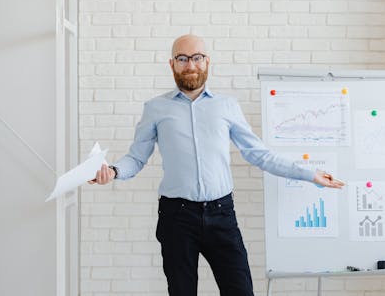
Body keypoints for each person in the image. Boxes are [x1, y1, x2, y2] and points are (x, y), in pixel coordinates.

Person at [89, 34, 344, 296]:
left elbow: (259, 154)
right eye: (183, 58)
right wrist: (115, 171)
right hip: (177, 217)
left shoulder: (227, 106)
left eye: (197, 58)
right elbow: (136, 157)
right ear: (172, 64)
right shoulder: (155, 108)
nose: (190, 65)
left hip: (222, 214)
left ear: (207, 61)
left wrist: (309, 173)